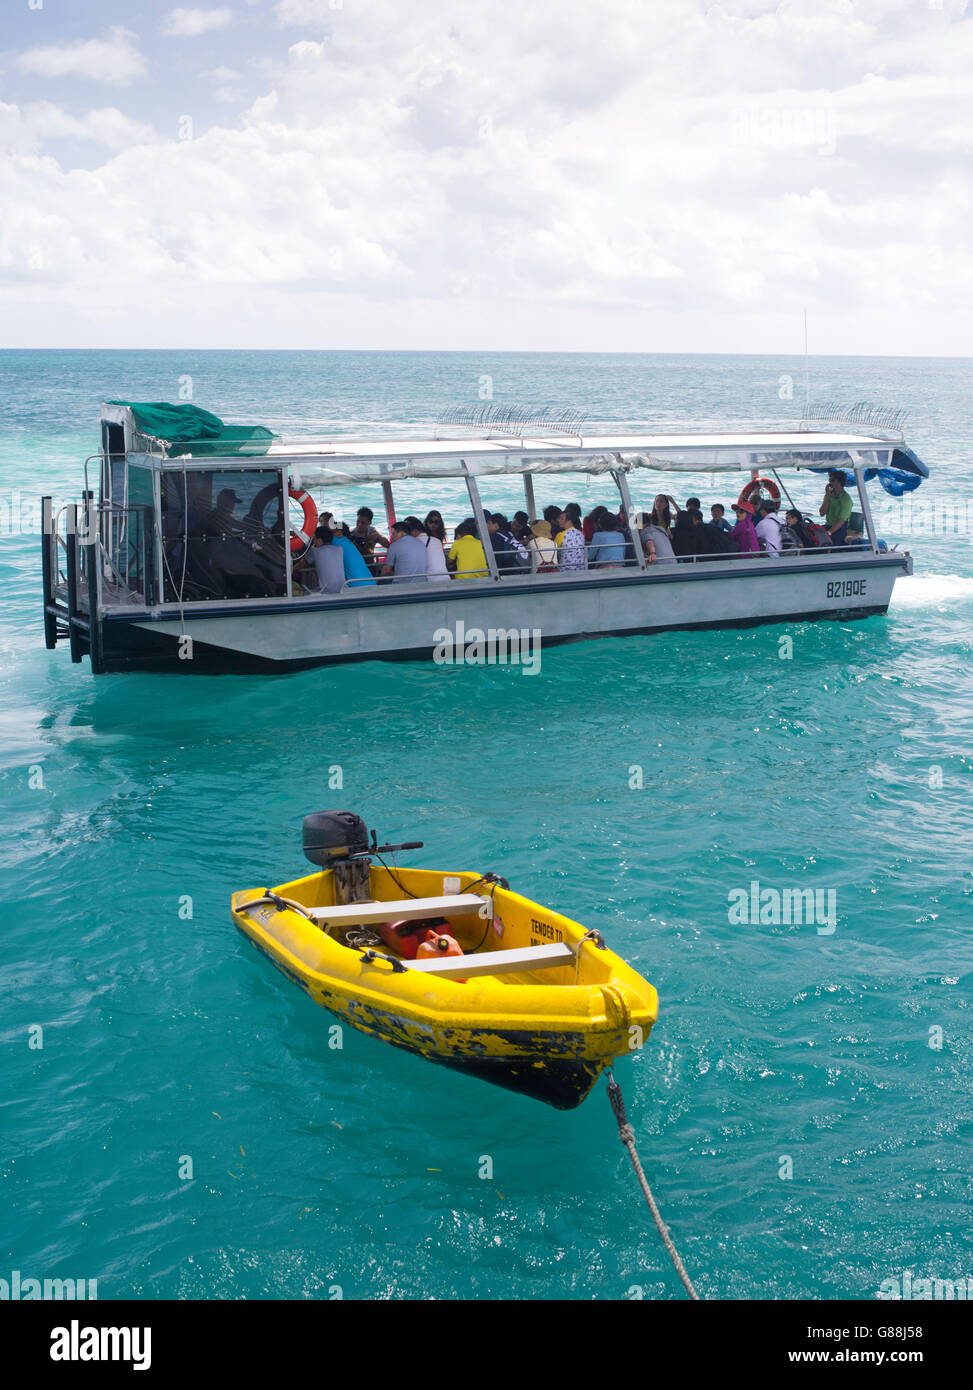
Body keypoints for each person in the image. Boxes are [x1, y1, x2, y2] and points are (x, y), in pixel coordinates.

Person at [381, 517, 428, 583]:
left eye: (394, 533)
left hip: (402, 586)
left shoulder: (394, 545)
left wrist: (377, 581)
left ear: (402, 533)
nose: (392, 536)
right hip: (422, 584)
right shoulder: (421, 543)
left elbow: (387, 570)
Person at [332, 523, 376, 587]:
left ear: (339, 533)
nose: (329, 534)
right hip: (371, 583)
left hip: (357, 586)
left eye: (332, 531)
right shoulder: (349, 543)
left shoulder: (335, 541)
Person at [310, 524, 347, 593]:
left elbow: (301, 564)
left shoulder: (314, 551)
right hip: (343, 589)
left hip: (327, 591)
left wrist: (291, 570)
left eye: (314, 539)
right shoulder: (339, 549)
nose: (313, 542)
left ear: (320, 540)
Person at [820, 470, 853, 546]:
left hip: (839, 528)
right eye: (829, 480)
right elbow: (822, 513)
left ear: (839, 482)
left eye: (832, 480)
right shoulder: (829, 495)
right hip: (828, 525)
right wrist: (827, 495)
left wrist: (828, 533)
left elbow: (842, 521)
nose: (829, 482)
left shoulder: (846, 499)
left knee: (828, 544)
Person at [421, 516, 450, 582]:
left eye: (436, 522)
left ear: (440, 523)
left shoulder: (440, 534)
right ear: (427, 522)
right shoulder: (424, 535)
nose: (433, 524)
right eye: (431, 522)